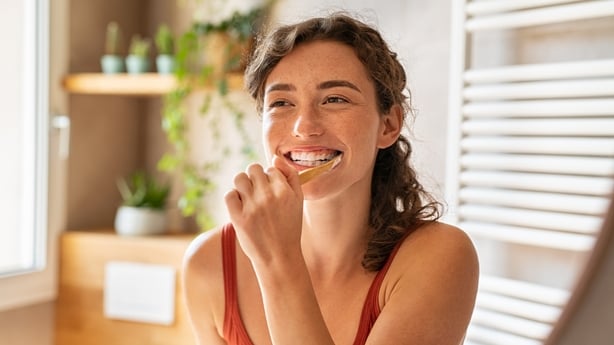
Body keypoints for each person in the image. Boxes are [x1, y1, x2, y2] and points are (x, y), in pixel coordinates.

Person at [182, 12, 479, 345]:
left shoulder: (439, 258)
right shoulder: (209, 264)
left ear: (388, 125)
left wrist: (277, 260)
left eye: (335, 99)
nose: (304, 127)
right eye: (281, 102)